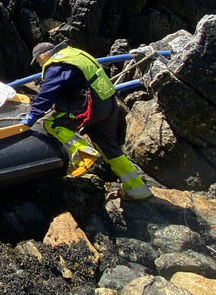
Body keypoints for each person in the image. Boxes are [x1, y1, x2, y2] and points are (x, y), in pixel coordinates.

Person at [21, 41, 153, 200]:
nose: (39, 64)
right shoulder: (75, 53)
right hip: (108, 103)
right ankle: (138, 190)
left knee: (52, 124)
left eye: (38, 60)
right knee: (109, 148)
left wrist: (31, 116)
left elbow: (46, 95)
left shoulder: (57, 64)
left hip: (90, 107)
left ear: (45, 55)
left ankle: (84, 156)